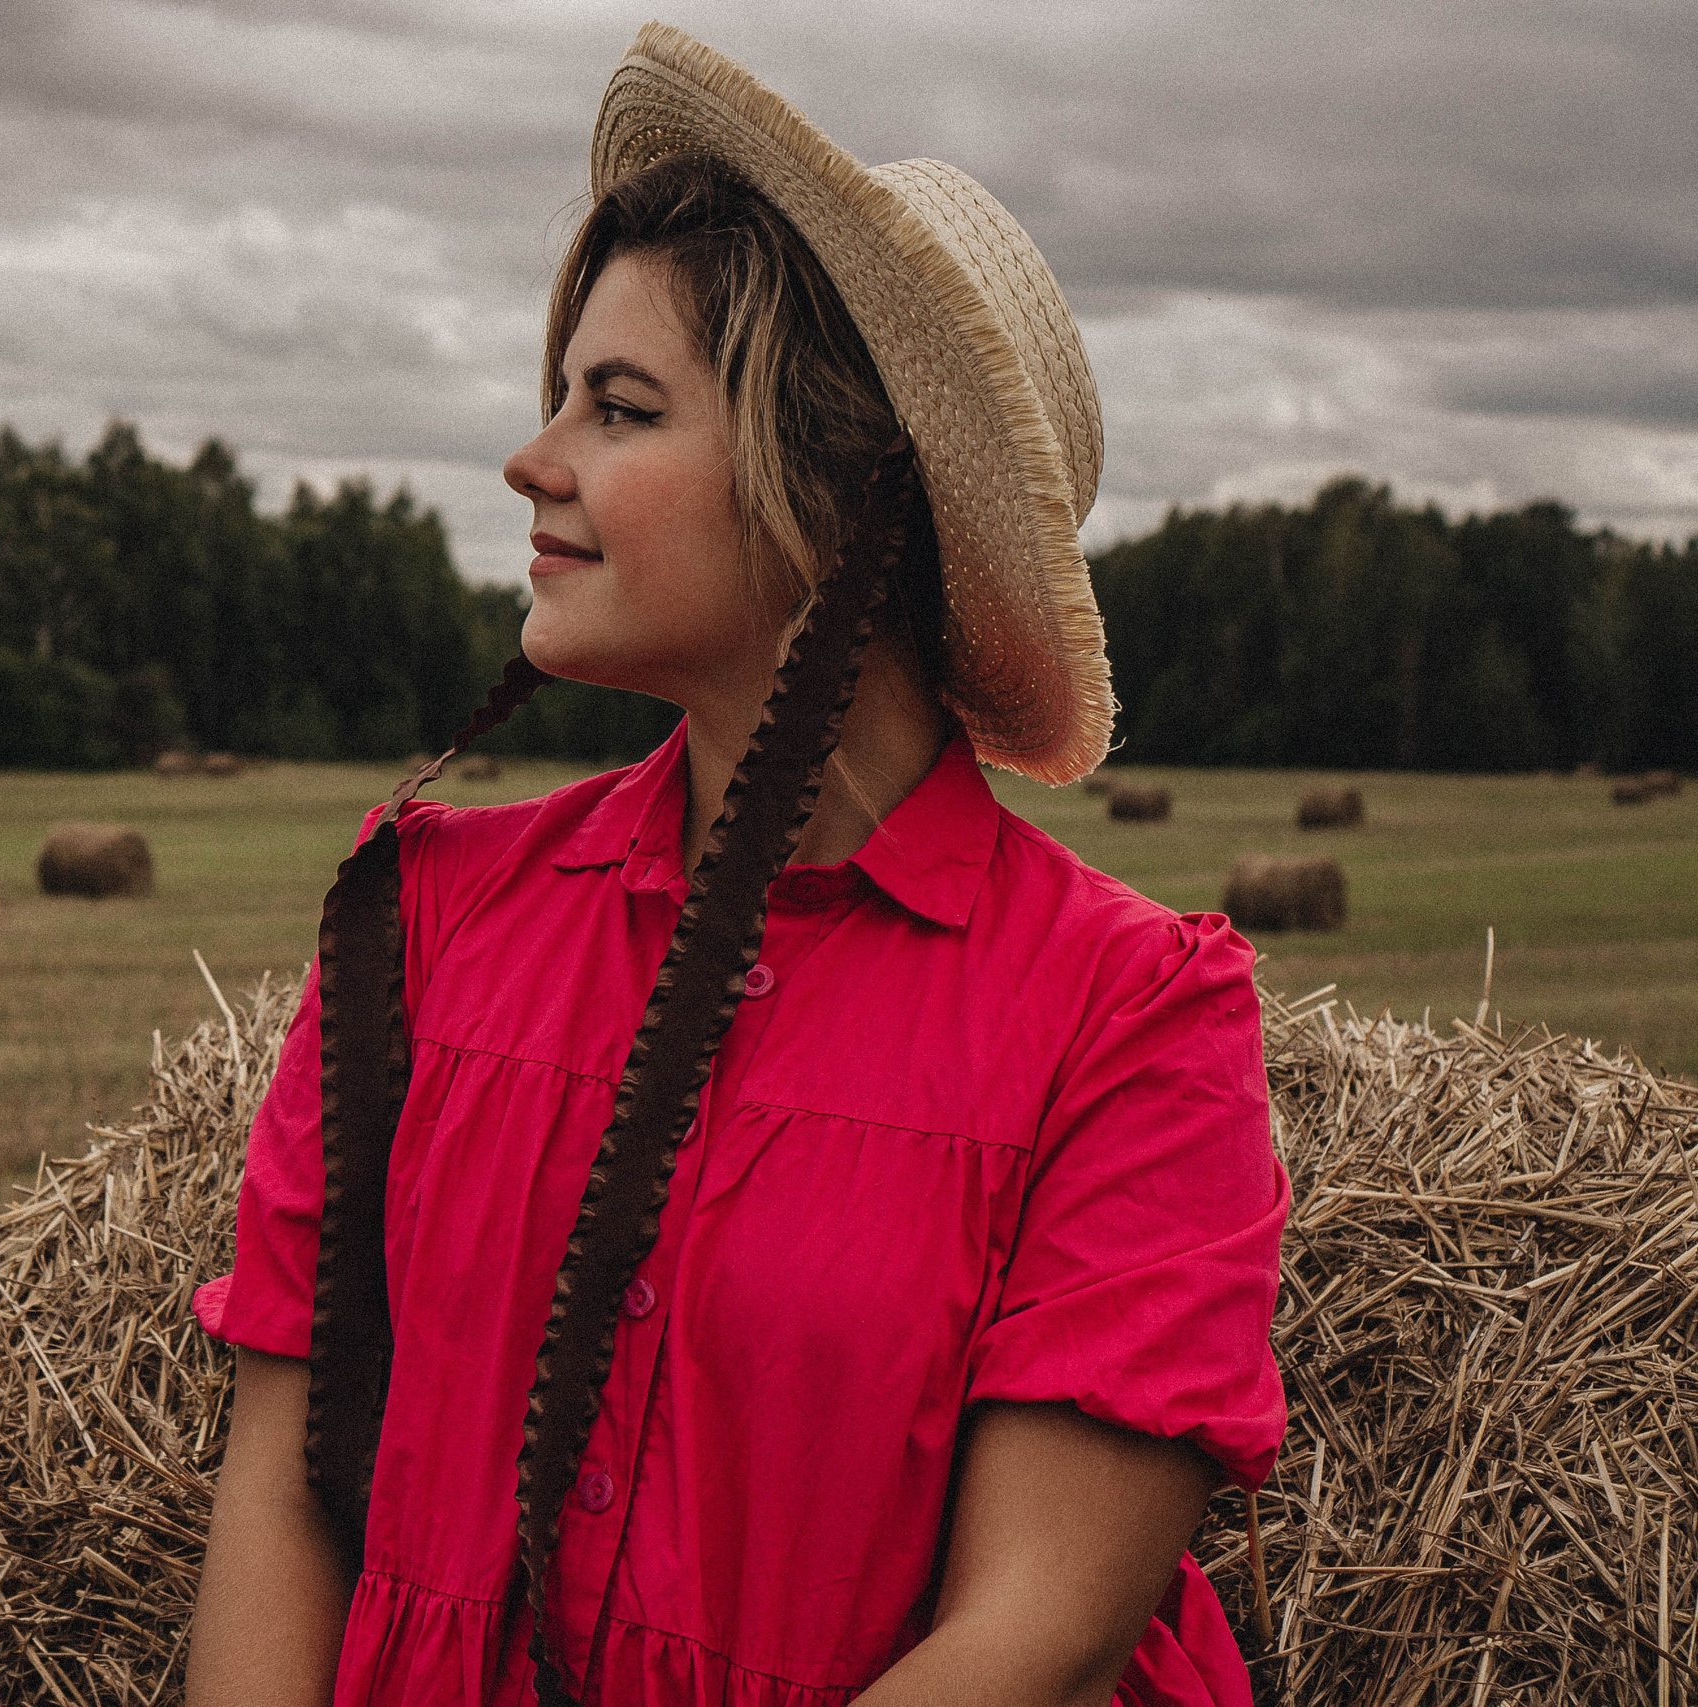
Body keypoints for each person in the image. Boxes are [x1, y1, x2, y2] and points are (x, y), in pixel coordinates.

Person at [185, 23, 1286, 1707]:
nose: (532, 460)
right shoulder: (420, 921)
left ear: (836, 495)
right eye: (560, 397)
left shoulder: (1125, 1018)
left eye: (618, 408)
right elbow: (285, 1481)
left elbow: (1041, 1638)